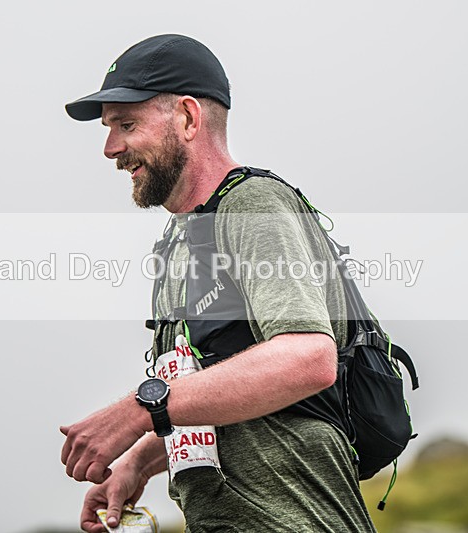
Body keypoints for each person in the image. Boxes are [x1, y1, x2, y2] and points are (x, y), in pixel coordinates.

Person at [60, 34, 377, 532]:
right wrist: (140, 462)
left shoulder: (252, 204)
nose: (110, 148)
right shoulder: (179, 242)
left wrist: (139, 409)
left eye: (126, 124)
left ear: (187, 118)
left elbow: (309, 357)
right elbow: (219, 392)